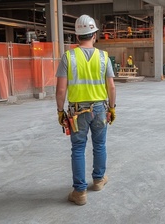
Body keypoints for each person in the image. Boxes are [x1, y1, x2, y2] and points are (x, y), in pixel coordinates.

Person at [55, 14, 116, 206]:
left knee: (78, 148)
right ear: (95, 35)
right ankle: (98, 180)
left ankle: (80, 192)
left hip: (76, 112)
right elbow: (112, 87)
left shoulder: (68, 57)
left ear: (76, 37)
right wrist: (112, 108)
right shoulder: (104, 57)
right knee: (100, 145)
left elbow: (60, 89)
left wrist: (60, 111)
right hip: (99, 109)